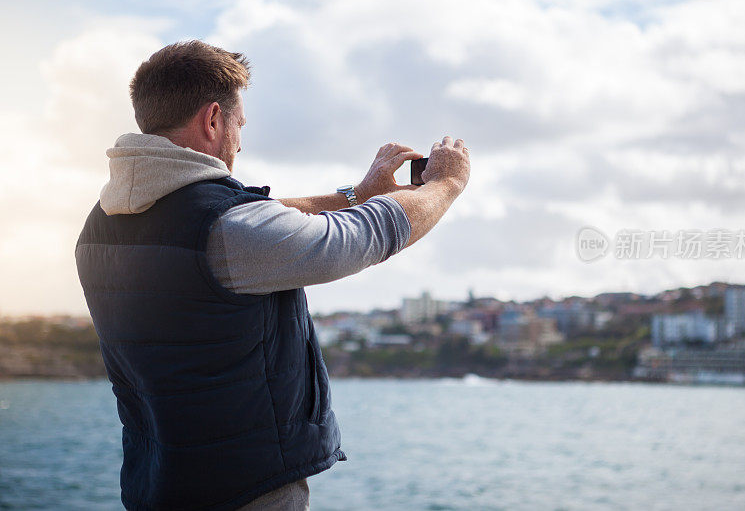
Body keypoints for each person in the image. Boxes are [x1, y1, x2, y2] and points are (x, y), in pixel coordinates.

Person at [75, 40, 470, 511]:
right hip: (244, 491)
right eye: (240, 124)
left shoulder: (104, 224)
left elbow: (248, 220)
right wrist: (447, 183)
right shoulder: (227, 231)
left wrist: (357, 192)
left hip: (157, 485)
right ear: (214, 119)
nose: (241, 139)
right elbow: (364, 235)